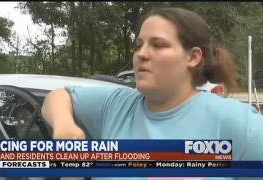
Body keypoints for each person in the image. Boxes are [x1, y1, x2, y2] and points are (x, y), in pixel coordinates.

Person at [41, 7, 263, 180]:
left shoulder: (238, 122)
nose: (141, 54)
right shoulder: (117, 105)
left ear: (193, 57)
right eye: (139, 45)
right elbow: (58, 96)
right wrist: (64, 125)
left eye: (158, 45)